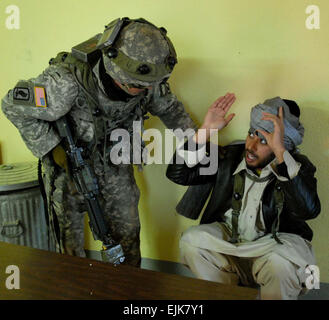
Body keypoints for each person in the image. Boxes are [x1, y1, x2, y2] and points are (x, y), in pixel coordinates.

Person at [2, 17, 196, 267]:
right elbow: (12, 106)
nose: (150, 90)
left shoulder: (148, 79)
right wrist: (52, 149)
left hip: (115, 165)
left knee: (127, 235)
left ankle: (126, 289)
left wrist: (197, 143)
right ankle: (73, 288)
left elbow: (170, 110)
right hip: (68, 169)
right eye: (140, 86)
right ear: (118, 74)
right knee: (69, 244)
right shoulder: (64, 85)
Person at [166, 93, 321, 299]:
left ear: (281, 145)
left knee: (281, 263)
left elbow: (308, 210)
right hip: (230, 243)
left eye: (264, 140)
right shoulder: (229, 156)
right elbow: (178, 174)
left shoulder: (296, 167)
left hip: (271, 249)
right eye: (251, 133)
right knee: (192, 242)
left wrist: (282, 155)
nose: (252, 146)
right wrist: (204, 132)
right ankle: (225, 294)